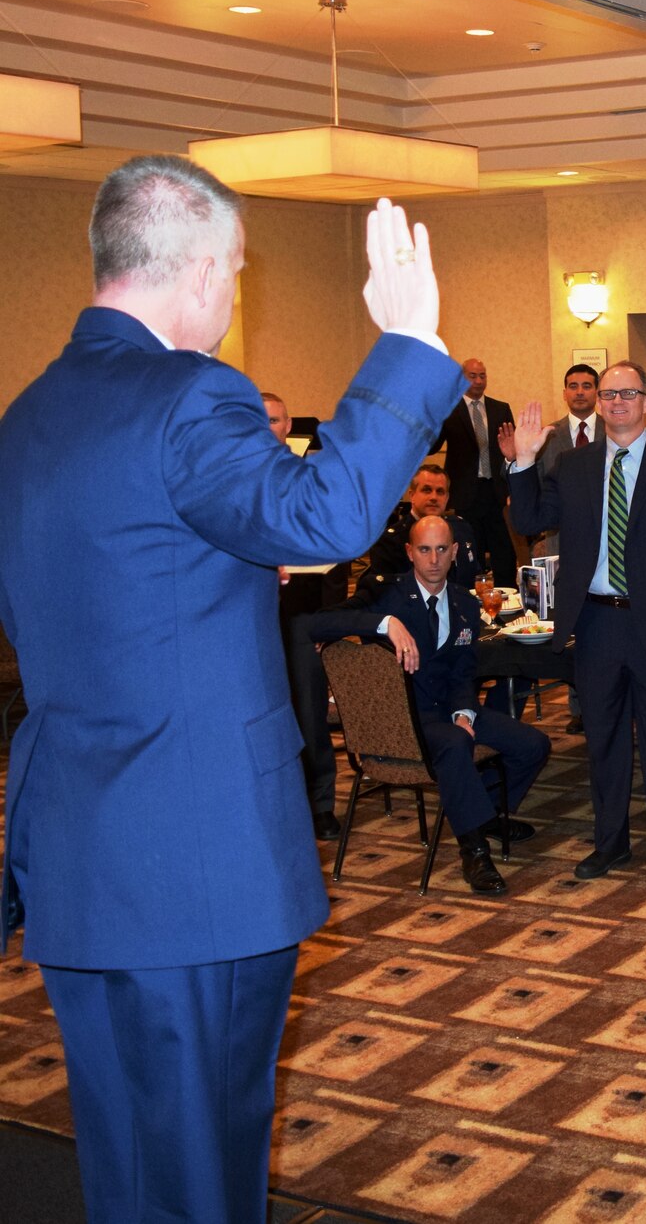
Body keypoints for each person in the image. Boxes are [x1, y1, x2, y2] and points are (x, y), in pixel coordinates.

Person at [0, 159, 460, 1222]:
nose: (234, 296)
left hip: (81, 855)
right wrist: (411, 345)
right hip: (196, 861)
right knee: (206, 1170)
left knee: (132, 1171)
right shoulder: (188, 394)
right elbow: (329, 518)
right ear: (203, 269)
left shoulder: (28, 416)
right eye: (240, 273)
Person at [504, 360, 646, 882]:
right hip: (596, 625)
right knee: (604, 741)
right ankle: (611, 842)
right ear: (598, 403)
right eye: (608, 393)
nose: (617, 401)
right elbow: (529, 522)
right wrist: (524, 461)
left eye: (628, 393)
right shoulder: (573, 466)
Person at [305, 515, 549, 895]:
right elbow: (317, 624)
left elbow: (463, 673)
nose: (433, 559)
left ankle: (479, 813)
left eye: (440, 549)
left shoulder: (466, 605)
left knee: (533, 745)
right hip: (403, 719)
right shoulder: (386, 593)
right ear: (410, 553)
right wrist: (384, 623)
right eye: (424, 549)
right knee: (455, 745)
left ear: (454, 553)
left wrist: (464, 711)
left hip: (447, 710)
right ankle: (475, 849)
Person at [267, 389, 354, 842]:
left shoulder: (309, 477)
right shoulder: (232, 478)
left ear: (288, 426)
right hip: (250, 621)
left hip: (304, 619)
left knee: (309, 713)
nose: (269, 427)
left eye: (276, 419)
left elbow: (337, 549)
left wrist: (330, 620)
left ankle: (320, 804)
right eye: (259, 420)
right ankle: (271, 805)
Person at [438, 356, 517, 579]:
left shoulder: (500, 408)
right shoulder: (448, 410)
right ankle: (472, 600)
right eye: (473, 376)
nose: (479, 380)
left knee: (504, 552)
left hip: (497, 492)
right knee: (470, 552)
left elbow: (512, 449)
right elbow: (433, 446)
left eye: (482, 376)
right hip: (465, 495)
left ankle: (508, 596)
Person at [356, 463, 482, 597]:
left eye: (440, 491)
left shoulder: (462, 529)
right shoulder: (389, 541)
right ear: (412, 495)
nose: (434, 497)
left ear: (447, 498)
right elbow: (385, 596)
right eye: (427, 490)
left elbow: (475, 577)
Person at [528, 362, 603, 555]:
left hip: (607, 537)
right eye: (573, 386)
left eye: (586, 386)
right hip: (561, 538)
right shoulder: (547, 435)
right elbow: (532, 484)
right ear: (564, 393)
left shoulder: (614, 432)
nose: (579, 392)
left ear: (597, 392)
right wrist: (517, 457)